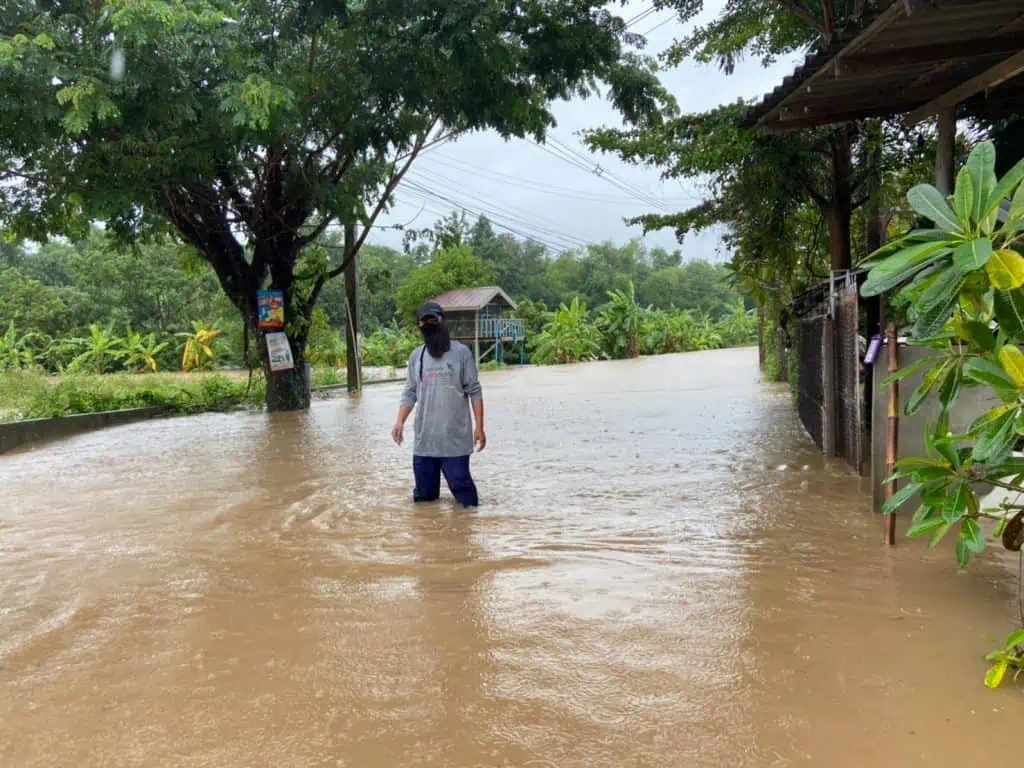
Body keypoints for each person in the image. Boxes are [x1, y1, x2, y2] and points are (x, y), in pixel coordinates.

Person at [392, 301, 486, 508]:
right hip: (424, 440)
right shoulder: (417, 356)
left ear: (442, 322)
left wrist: (479, 427)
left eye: (433, 319)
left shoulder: (461, 353)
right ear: (419, 326)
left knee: (466, 499)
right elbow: (410, 392)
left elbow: (474, 391)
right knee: (424, 502)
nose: (429, 324)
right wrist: (399, 422)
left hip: (455, 441)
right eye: (424, 321)